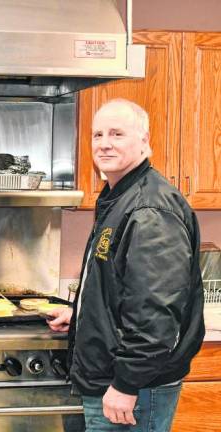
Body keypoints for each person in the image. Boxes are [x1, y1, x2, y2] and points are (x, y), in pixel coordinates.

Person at [47, 98, 205, 431]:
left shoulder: (150, 211)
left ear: (145, 141)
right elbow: (119, 284)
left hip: (134, 389)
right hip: (114, 380)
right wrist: (83, 314)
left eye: (117, 134)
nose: (104, 144)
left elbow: (156, 311)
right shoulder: (121, 197)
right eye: (98, 134)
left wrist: (126, 383)